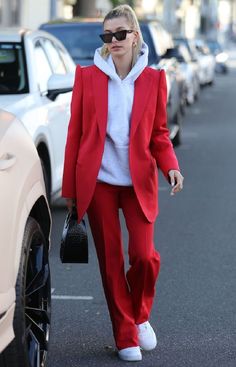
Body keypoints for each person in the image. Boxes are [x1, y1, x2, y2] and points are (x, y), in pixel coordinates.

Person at [62, 4, 184, 362]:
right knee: (111, 261)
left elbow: (160, 134)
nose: (113, 41)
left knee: (144, 257)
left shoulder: (154, 79)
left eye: (120, 34)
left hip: (137, 180)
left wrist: (171, 167)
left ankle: (140, 315)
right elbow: (75, 135)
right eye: (107, 35)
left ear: (134, 36)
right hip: (98, 181)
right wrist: (70, 190)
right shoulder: (87, 77)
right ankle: (124, 333)